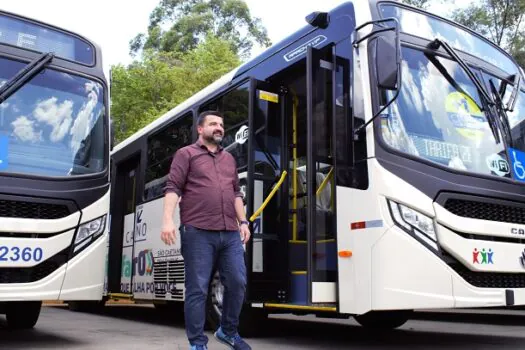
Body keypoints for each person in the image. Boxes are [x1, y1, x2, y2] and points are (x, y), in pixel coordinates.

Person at [160, 110, 252, 350]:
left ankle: (228, 331)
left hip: (230, 232)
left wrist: (243, 222)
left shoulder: (229, 159)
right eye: (213, 124)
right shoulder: (186, 154)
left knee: (237, 281)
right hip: (197, 231)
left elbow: (235, 194)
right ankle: (197, 343)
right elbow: (173, 187)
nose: (219, 128)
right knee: (197, 289)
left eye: (221, 124)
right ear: (200, 129)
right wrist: (167, 220)